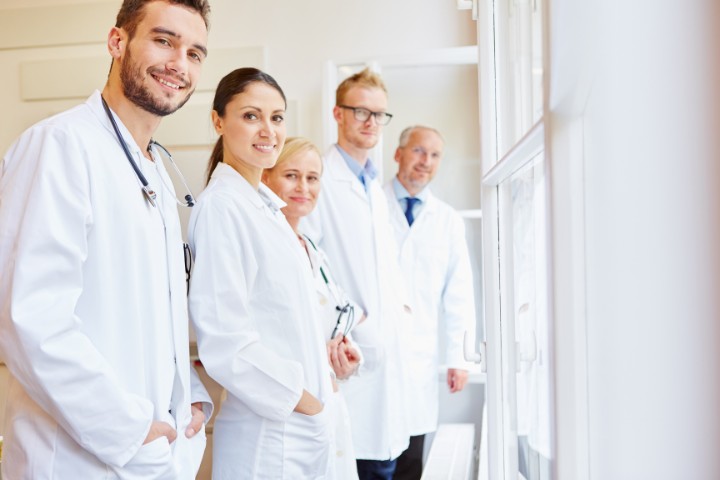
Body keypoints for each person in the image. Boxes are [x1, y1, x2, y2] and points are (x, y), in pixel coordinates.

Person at [0, 0, 212, 478]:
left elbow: (154, 309)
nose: (180, 63)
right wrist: (127, 427)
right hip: (81, 457)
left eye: (195, 53)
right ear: (118, 42)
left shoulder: (154, 166)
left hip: (159, 447)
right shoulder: (58, 145)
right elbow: (29, 317)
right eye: (164, 41)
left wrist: (190, 397)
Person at [188, 69, 334, 479]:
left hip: (298, 429)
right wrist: (305, 400)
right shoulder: (223, 209)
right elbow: (225, 341)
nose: (268, 130)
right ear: (219, 122)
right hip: (271, 436)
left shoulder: (263, 207)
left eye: (277, 117)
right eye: (251, 116)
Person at [301, 68, 411, 480]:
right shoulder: (320, 178)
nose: (371, 122)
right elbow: (307, 261)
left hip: (384, 351)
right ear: (338, 113)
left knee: (385, 461)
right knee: (360, 464)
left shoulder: (372, 184)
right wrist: (351, 320)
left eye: (380, 114)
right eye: (360, 111)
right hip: (348, 350)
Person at [262, 136, 366, 480]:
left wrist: (344, 359)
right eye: (291, 175)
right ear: (265, 177)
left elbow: (331, 318)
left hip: (329, 403)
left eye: (312, 177)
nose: (303, 187)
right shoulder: (263, 243)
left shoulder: (311, 249)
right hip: (292, 411)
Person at [384, 126, 476, 480]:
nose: (426, 162)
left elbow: (459, 292)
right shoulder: (372, 207)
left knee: (410, 460)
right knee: (370, 460)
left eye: (435, 155)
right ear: (399, 154)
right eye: (419, 151)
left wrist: (458, 357)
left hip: (419, 356)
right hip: (372, 354)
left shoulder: (447, 220)